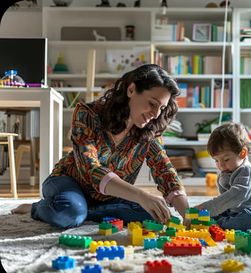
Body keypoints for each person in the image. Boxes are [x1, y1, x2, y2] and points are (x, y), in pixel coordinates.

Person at [11, 64, 189, 228]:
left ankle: (81, 211)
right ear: (131, 89)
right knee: (70, 213)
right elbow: (91, 170)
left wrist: (188, 215)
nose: (156, 114)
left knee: (153, 213)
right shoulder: (88, 114)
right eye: (152, 104)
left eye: (162, 109)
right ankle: (39, 208)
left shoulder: (150, 131)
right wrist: (141, 195)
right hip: (68, 182)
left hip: (109, 197)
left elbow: (165, 171)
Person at [194, 122, 251, 231]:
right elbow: (224, 202)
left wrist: (208, 207)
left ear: (242, 153)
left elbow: (236, 195)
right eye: (216, 160)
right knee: (207, 214)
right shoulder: (225, 171)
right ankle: (223, 222)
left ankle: (220, 224)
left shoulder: (247, 171)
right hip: (233, 211)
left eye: (226, 159)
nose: (221, 165)